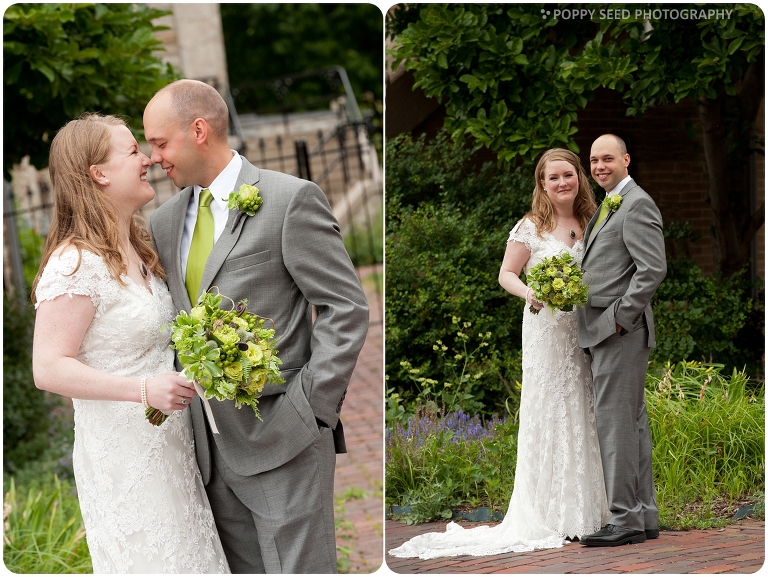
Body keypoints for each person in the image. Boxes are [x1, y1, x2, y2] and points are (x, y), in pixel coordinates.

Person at [143, 79, 369, 574]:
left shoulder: (291, 200)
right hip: (209, 452)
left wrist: (311, 409)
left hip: (285, 437)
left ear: (198, 130)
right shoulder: (161, 222)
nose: (153, 156)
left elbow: (345, 308)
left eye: (160, 142)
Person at [31, 113, 230, 573]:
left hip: (173, 450)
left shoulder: (140, 247)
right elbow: (48, 368)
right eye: (132, 151)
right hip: (125, 459)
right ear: (98, 174)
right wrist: (143, 390)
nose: (146, 160)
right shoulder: (74, 263)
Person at [388, 148, 610, 560]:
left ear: (579, 177)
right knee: (549, 410)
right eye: (553, 177)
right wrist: (534, 293)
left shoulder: (592, 221)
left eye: (569, 175)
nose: (563, 183)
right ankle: (550, 513)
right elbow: (506, 274)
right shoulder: (531, 226)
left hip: (582, 330)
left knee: (583, 409)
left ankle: (588, 510)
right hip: (545, 330)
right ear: (542, 184)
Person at [576, 134, 666, 546]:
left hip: (619, 332)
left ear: (626, 159)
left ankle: (624, 519)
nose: (599, 166)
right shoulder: (611, 202)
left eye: (607, 158)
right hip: (608, 331)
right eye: (593, 160)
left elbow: (652, 270)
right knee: (631, 425)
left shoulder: (637, 203)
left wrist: (618, 320)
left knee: (615, 425)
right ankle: (643, 515)